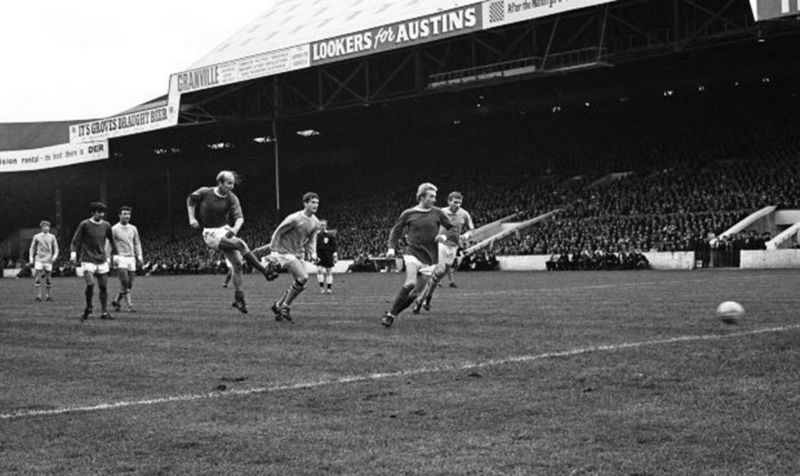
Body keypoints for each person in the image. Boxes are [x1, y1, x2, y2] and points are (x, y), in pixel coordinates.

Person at [187, 170, 278, 314]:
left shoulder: (232, 198)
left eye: (233, 184)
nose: (232, 186)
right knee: (240, 244)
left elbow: (240, 218)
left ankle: (239, 299)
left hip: (224, 229)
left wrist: (235, 229)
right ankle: (265, 271)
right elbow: (191, 200)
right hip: (210, 233)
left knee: (238, 265)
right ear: (220, 183)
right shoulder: (205, 192)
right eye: (229, 183)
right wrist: (191, 218)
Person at [381, 182, 453, 328]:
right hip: (412, 253)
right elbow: (395, 231)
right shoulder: (408, 214)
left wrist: (444, 237)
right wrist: (391, 249)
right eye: (431, 196)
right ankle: (390, 316)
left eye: (435, 196)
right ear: (421, 197)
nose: (434, 199)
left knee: (414, 295)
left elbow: (452, 228)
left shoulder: (438, 213)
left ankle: (391, 314)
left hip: (431, 259)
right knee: (410, 283)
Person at [257, 192, 320, 322]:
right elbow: (278, 232)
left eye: (317, 203)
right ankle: (285, 307)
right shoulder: (294, 218)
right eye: (313, 202)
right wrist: (274, 251)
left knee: (301, 283)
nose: (316, 205)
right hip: (284, 252)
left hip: (297, 253)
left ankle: (278, 305)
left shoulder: (315, 222)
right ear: (305, 203)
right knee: (303, 277)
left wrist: (313, 254)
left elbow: (312, 240)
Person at [413, 191, 475, 313]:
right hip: (440, 244)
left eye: (460, 202)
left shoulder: (464, 214)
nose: (457, 205)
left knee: (438, 276)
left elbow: (472, 229)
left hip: (453, 247)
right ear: (449, 201)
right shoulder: (441, 212)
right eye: (455, 202)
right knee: (440, 270)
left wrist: (466, 235)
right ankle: (423, 299)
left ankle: (424, 299)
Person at [70, 202, 118, 320]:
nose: (101, 214)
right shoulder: (85, 224)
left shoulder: (106, 225)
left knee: (103, 287)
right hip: (88, 259)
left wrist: (115, 256)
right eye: (99, 212)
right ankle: (89, 306)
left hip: (101, 259)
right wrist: (73, 253)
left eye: (103, 212)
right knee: (90, 283)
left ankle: (104, 313)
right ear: (93, 212)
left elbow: (112, 241)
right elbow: (75, 240)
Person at [110, 206, 143, 313]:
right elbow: (109, 244)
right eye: (124, 214)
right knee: (124, 281)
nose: (127, 216)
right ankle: (130, 306)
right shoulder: (114, 229)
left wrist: (139, 256)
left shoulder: (133, 228)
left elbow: (137, 243)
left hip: (131, 258)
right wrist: (108, 258)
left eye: (128, 214)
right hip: (120, 258)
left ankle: (116, 300)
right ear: (119, 215)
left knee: (129, 284)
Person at [29, 220, 59, 301]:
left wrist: (54, 256)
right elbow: (32, 247)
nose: (47, 228)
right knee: (38, 277)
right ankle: (38, 296)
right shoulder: (37, 236)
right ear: (41, 227)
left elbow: (56, 248)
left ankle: (48, 296)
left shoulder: (52, 237)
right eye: (45, 226)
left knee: (48, 278)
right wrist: (31, 258)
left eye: (48, 226)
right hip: (39, 259)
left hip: (48, 260)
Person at [315, 219, 338, 294]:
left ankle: (329, 288)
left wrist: (335, 255)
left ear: (326, 226)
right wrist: (313, 254)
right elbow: (312, 246)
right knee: (319, 270)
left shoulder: (330, 235)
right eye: (321, 225)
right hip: (319, 255)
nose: (322, 226)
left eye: (324, 225)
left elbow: (334, 246)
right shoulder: (316, 235)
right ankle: (321, 287)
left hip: (328, 254)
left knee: (328, 271)